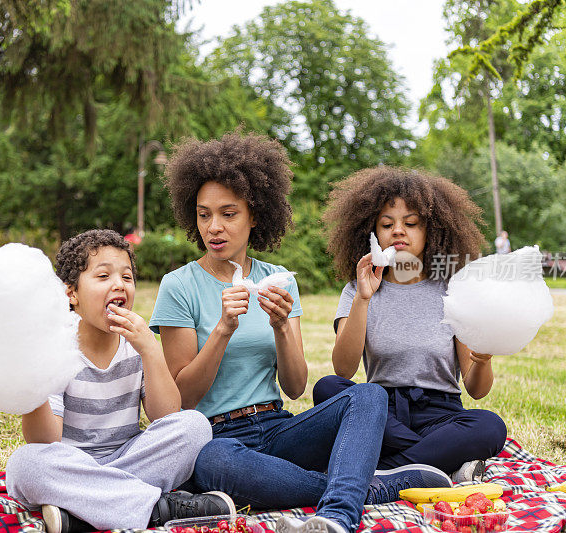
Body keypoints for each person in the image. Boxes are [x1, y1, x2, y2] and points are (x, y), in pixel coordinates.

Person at [149, 133, 451, 533]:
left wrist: (280, 328)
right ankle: (370, 490)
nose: (214, 227)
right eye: (204, 214)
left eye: (228, 213)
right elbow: (181, 399)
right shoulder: (179, 285)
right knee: (212, 463)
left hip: (277, 427)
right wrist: (223, 330)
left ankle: (336, 517)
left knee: (367, 394)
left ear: (255, 215)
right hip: (215, 436)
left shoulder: (278, 281)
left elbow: (295, 387)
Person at [6, 230, 235, 533]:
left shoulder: (137, 344)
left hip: (125, 457)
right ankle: (157, 508)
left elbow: (165, 415)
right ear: (71, 293)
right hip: (69, 462)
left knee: (195, 426)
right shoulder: (55, 348)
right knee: (26, 464)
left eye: (127, 278)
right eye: (103, 276)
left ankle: (84, 508)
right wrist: (30, 389)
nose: (119, 285)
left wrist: (150, 349)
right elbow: (46, 440)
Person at [316, 166, 508, 485]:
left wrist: (484, 360)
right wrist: (364, 298)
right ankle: (432, 463)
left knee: (490, 426)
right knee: (327, 389)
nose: (399, 231)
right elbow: (343, 370)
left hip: (441, 415)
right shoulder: (357, 289)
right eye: (387, 224)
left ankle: (387, 470)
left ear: (431, 231)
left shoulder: (454, 291)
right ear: (372, 233)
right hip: (379, 414)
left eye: (411, 223)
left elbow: (476, 390)